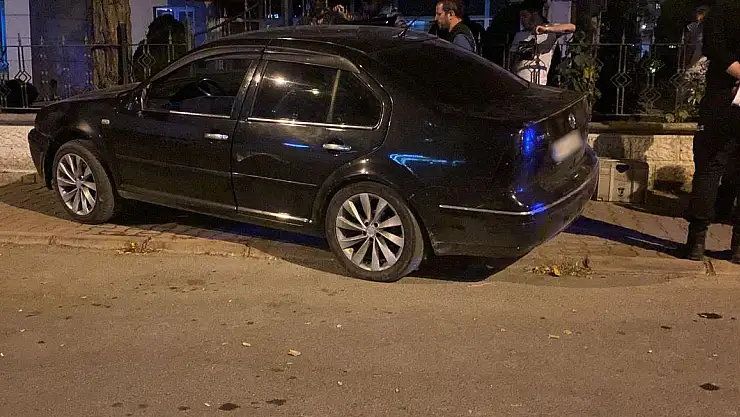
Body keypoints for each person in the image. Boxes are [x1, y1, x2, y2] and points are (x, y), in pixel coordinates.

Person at [684, 0, 740, 263]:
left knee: (708, 168)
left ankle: (696, 241)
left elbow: (714, 48)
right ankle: (738, 248)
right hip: (723, 98)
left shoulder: (722, 9)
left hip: (721, 96)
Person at [509, 0, 574, 85]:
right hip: (518, 80)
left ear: (535, 15)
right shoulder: (520, 35)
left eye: (524, 16)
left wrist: (546, 29)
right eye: (520, 17)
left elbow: (571, 27)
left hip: (537, 81)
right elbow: (512, 59)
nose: (522, 20)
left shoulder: (550, 32)